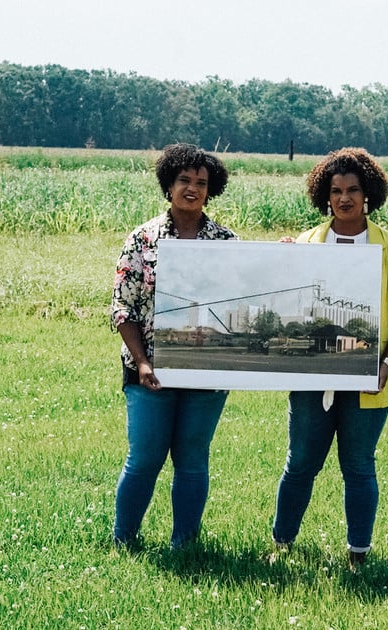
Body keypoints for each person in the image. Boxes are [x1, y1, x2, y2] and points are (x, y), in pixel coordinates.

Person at [270, 147, 388, 570]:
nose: (345, 198)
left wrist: (384, 364)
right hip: (311, 377)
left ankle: (359, 554)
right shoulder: (307, 243)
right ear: (326, 196)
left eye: (353, 189)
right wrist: (279, 261)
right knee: (300, 463)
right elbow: (286, 303)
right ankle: (282, 545)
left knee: (357, 466)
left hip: (369, 380)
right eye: (336, 191)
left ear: (368, 193)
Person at [110, 143, 237, 550]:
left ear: (210, 190)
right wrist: (143, 363)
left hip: (207, 369)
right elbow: (122, 307)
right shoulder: (142, 239)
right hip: (150, 372)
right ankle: (124, 539)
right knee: (145, 459)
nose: (192, 189)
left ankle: (185, 544)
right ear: (169, 186)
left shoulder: (227, 242)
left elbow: (250, 292)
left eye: (201, 183)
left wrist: (285, 256)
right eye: (184, 180)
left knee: (192, 461)